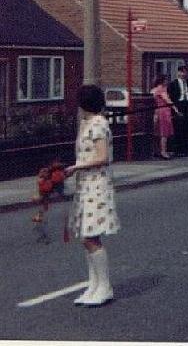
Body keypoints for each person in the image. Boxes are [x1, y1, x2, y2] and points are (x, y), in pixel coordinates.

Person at [65, 85, 120, 306]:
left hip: (96, 185)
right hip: (86, 185)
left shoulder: (98, 124)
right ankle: (93, 285)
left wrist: (76, 167)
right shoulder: (87, 123)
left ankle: (104, 287)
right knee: (86, 236)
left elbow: (103, 156)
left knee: (91, 236)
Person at [168, 65, 188, 155]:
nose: (185, 74)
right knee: (179, 128)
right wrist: (175, 109)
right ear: (178, 72)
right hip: (179, 105)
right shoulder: (173, 83)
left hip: (187, 105)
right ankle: (179, 149)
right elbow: (171, 97)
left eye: (186, 72)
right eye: (183, 72)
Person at [151, 74, 179, 160]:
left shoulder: (155, 89)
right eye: (166, 80)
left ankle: (157, 151)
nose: (167, 82)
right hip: (164, 111)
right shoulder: (162, 89)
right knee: (164, 133)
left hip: (158, 111)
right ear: (162, 81)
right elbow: (167, 100)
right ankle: (163, 152)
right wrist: (175, 109)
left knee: (158, 132)